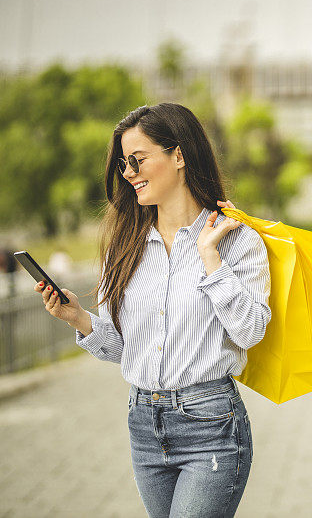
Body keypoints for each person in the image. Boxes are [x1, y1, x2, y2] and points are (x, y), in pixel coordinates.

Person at [34, 102, 271, 517]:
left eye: (137, 160)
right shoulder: (125, 245)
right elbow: (121, 349)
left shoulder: (237, 241)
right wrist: (79, 318)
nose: (128, 173)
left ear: (178, 156)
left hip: (211, 426)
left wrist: (210, 259)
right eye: (124, 164)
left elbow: (251, 331)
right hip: (144, 424)